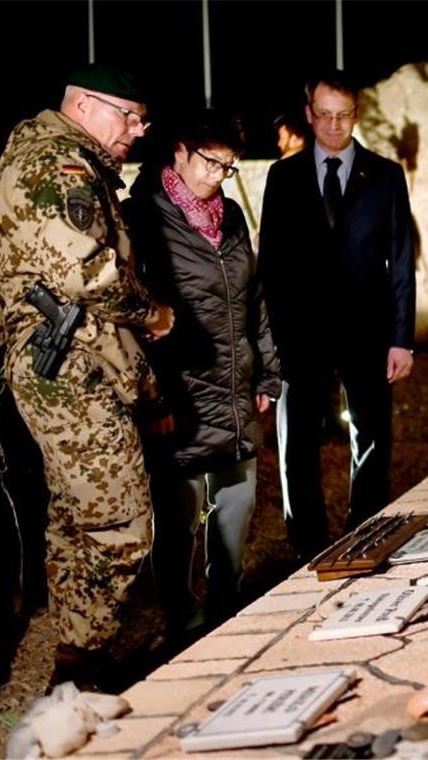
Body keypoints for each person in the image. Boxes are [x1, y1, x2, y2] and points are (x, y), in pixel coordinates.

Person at [0, 63, 175, 690]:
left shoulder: (55, 156)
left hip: (71, 363)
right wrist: (154, 314)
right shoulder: (58, 165)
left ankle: (75, 666)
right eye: (130, 114)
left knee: (77, 519)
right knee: (122, 520)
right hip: (68, 365)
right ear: (87, 105)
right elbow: (83, 271)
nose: (139, 129)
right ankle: (84, 659)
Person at [123, 111, 281, 632]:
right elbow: (129, 317)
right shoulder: (143, 219)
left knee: (236, 508)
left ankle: (226, 604)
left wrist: (266, 374)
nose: (217, 176)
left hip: (234, 390)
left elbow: (253, 299)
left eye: (228, 167)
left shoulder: (231, 217)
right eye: (211, 162)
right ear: (181, 152)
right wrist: (153, 401)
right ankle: (180, 617)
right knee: (177, 520)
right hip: (179, 396)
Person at [257, 70, 416, 560]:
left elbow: (402, 260)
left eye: (342, 115)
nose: (332, 125)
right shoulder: (282, 177)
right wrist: (269, 341)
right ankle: (305, 541)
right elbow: (271, 266)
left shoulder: (386, 176)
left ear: (356, 115)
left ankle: (365, 527)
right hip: (299, 333)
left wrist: (401, 338)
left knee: (371, 432)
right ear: (309, 114)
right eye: (323, 115)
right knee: (297, 439)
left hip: (366, 329)